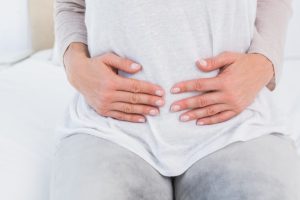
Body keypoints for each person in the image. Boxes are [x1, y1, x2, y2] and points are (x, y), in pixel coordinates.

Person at [50, 0, 300, 199]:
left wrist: (264, 61)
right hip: (110, 129)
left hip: (237, 126)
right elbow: (71, 4)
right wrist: (75, 65)